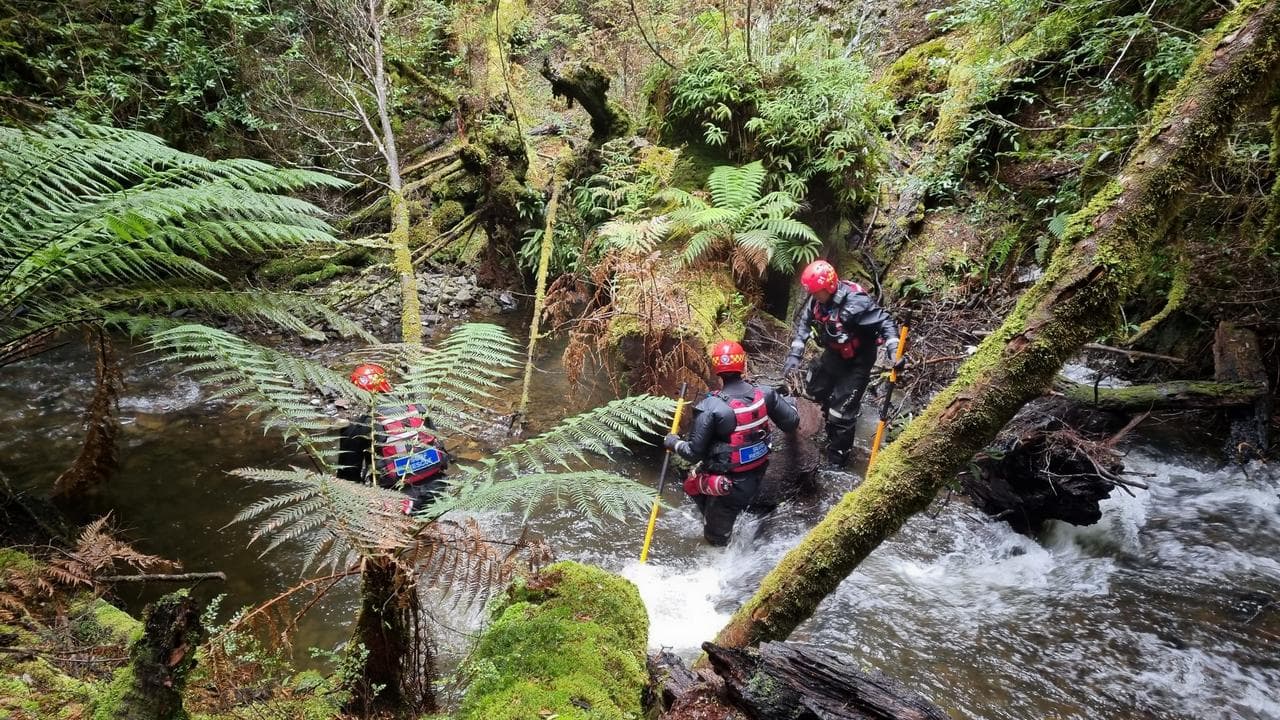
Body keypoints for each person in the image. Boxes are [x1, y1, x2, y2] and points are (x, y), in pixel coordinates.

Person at [663, 341, 800, 546]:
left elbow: (692, 453)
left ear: (717, 369)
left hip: (727, 486)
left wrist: (673, 442)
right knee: (695, 485)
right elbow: (792, 422)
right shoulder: (765, 394)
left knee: (714, 539)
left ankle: (717, 535)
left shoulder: (710, 407)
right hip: (757, 473)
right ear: (743, 365)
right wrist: (790, 404)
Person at [781, 259, 901, 468]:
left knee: (842, 413)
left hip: (858, 362)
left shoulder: (856, 303)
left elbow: (885, 322)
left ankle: (838, 459)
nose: (814, 296)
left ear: (829, 286)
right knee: (814, 391)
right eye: (812, 291)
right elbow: (804, 327)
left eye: (817, 291)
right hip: (834, 354)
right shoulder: (816, 302)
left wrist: (893, 351)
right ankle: (827, 428)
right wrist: (794, 356)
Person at [337, 363, 450, 514]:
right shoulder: (418, 409)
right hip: (440, 486)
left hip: (399, 499)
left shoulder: (359, 426)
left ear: (358, 393)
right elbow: (440, 447)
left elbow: (347, 479)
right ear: (387, 384)